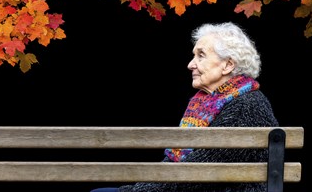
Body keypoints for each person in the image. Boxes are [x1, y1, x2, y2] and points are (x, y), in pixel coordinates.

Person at [90, 22, 279, 192]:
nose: (191, 65)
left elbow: (195, 172)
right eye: (193, 56)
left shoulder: (247, 105)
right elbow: (182, 169)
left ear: (227, 65)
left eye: (201, 56)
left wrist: (134, 191)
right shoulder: (206, 104)